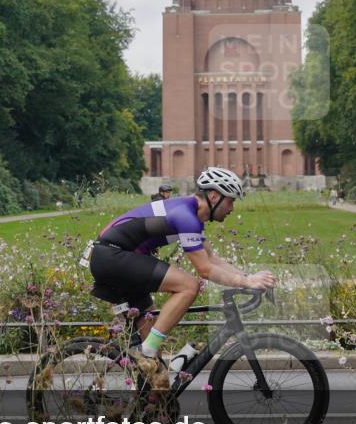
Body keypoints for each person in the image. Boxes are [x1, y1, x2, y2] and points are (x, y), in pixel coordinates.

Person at [84, 166, 276, 387]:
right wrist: (246, 282)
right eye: (230, 201)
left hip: (114, 257)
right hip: (113, 256)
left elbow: (211, 258)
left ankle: (151, 402)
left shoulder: (191, 214)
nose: (232, 208)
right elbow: (204, 270)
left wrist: (249, 277)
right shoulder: (185, 216)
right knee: (189, 286)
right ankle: (146, 352)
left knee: (151, 341)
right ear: (214, 196)